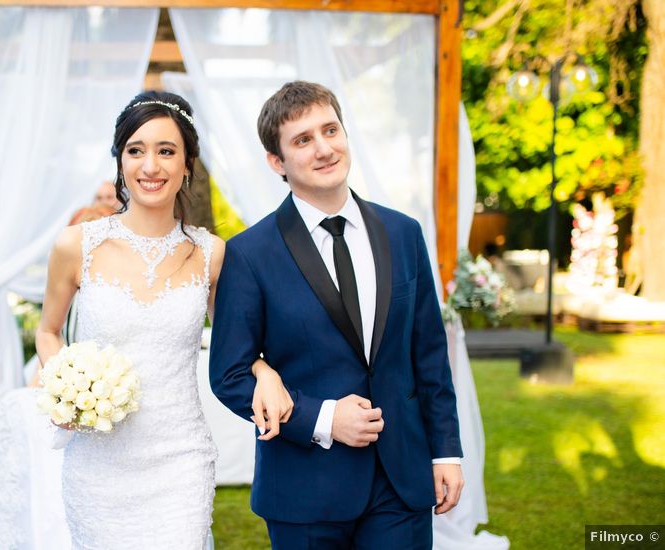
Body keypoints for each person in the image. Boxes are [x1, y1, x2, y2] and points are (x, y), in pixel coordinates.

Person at [28, 91, 290, 549]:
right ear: (120, 160)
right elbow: (47, 332)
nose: (151, 166)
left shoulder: (211, 254)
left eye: (166, 151)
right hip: (97, 462)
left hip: (179, 460)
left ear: (187, 163)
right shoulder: (76, 245)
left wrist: (264, 370)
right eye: (136, 150)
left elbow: (236, 344)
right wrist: (64, 383)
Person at [209, 81, 464, 549]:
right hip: (305, 489)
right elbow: (228, 374)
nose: (324, 148)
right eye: (303, 140)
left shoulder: (403, 233)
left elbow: (428, 354)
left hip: (400, 481)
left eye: (331, 130)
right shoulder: (248, 254)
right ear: (277, 162)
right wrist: (324, 419)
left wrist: (446, 451)